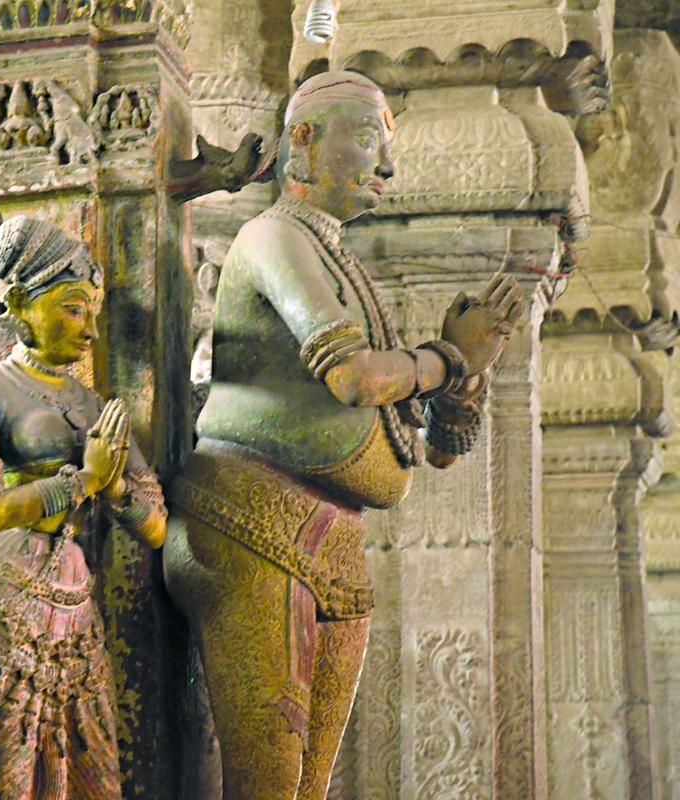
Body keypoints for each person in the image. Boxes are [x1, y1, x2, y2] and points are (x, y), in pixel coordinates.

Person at [163, 71, 524, 800]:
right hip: (248, 522)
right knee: (267, 780)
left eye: (387, 145)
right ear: (303, 139)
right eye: (368, 140)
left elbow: (439, 450)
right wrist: (448, 359)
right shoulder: (272, 238)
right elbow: (357, 381)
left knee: (308, 787)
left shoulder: (338, 261)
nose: (386, 166)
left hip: (330, 539)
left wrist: (471, 373)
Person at [0, 216, 167, 799]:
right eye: (72, 308)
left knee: (95, 786)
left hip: (74, 610)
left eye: (92, 311)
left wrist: (114, 490)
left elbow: (158, 528)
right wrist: (81, 483)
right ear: (18, 301)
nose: (89, 330)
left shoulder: (92, 404)